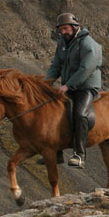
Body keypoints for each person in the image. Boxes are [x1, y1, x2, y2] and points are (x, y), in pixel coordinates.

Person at [46, 13, 102, 168]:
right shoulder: (62, 43)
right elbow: (56, 65)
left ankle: (79, 154)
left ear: (74, 27)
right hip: (70, 85)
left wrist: (68, 85)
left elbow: (87, 68)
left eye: (66, 28)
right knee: (52, 110)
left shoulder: (87, 43)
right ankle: (56, 152)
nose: (64, 32)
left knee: (80, 114)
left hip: (86, 86)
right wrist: (44, 84)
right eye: (61, 29)